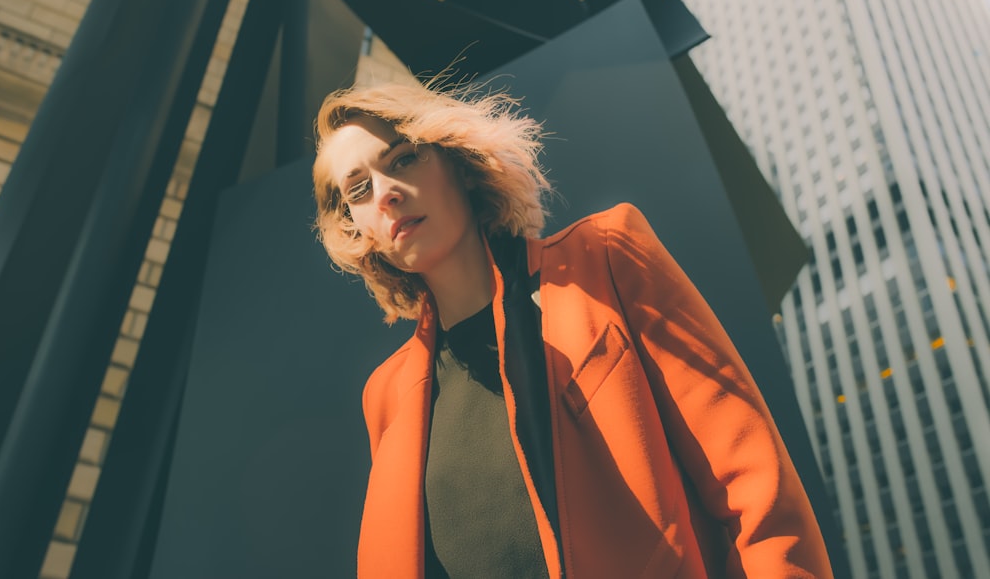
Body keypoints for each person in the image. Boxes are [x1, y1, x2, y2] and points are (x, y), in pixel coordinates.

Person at [312, 79, 834, 578]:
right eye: (358, 190)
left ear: (458, 163)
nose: (385, 193)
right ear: (360, 231)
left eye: (404, 158)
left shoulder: (604, 258)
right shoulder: (386, 396)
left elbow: (754, 483)